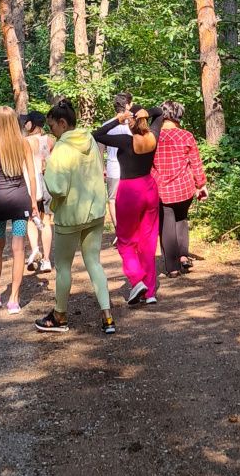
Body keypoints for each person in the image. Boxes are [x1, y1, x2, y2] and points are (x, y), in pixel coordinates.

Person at [35, 97, 115, 336]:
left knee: (63, 267)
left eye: (52, 126)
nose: (51, 131)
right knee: (94, 262)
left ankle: (59, 316)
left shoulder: (61, 148)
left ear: (62, 123)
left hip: (70, 216)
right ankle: (107, 317)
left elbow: (58, 188)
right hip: (95, 211)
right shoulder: (89, 138)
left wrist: (46, 172)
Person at [94, 103, 160, 307]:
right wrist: (145, 112)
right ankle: (150, 292)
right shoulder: (153, 137)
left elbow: (97, 134)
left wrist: (118, 119)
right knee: (148, 241)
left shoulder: (125, 141)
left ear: (130, 122)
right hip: (149, 188)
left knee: (125, 241)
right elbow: (159, 112)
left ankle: (137, 280)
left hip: (130, 191)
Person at [0, 105, 38, 314]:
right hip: (20, 202)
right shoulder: (23, 144)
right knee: (18, 248)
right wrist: (33, 202)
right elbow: (32, 175)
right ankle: (14, 299)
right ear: (14, 121)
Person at [153, 99, 207, 279]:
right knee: (181, 219)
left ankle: (172, 267)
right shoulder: (186, 136)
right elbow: (196, 163)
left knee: (166, 225)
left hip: (161, 190)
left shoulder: (154, 137)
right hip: (184, 188)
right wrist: (201, 185)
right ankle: (183, 256)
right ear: (178, 116)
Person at [22, 111, 53, 274]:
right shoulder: (50, 140)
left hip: (30, 182)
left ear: (30, 124)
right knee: (46, 219)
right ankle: (46, 260)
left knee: (31, 219)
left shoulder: (25, 142)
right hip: (46, 181)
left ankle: (35, 250)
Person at [96, 91, 128, 230]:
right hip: (129, 168)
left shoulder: (106, 125)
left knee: (113, 199)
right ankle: (127, 229)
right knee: (128, 198)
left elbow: (99, 150)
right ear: (127, 105)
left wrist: (102, 168)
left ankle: (118, 229)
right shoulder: (132, 125)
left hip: (112, 167)